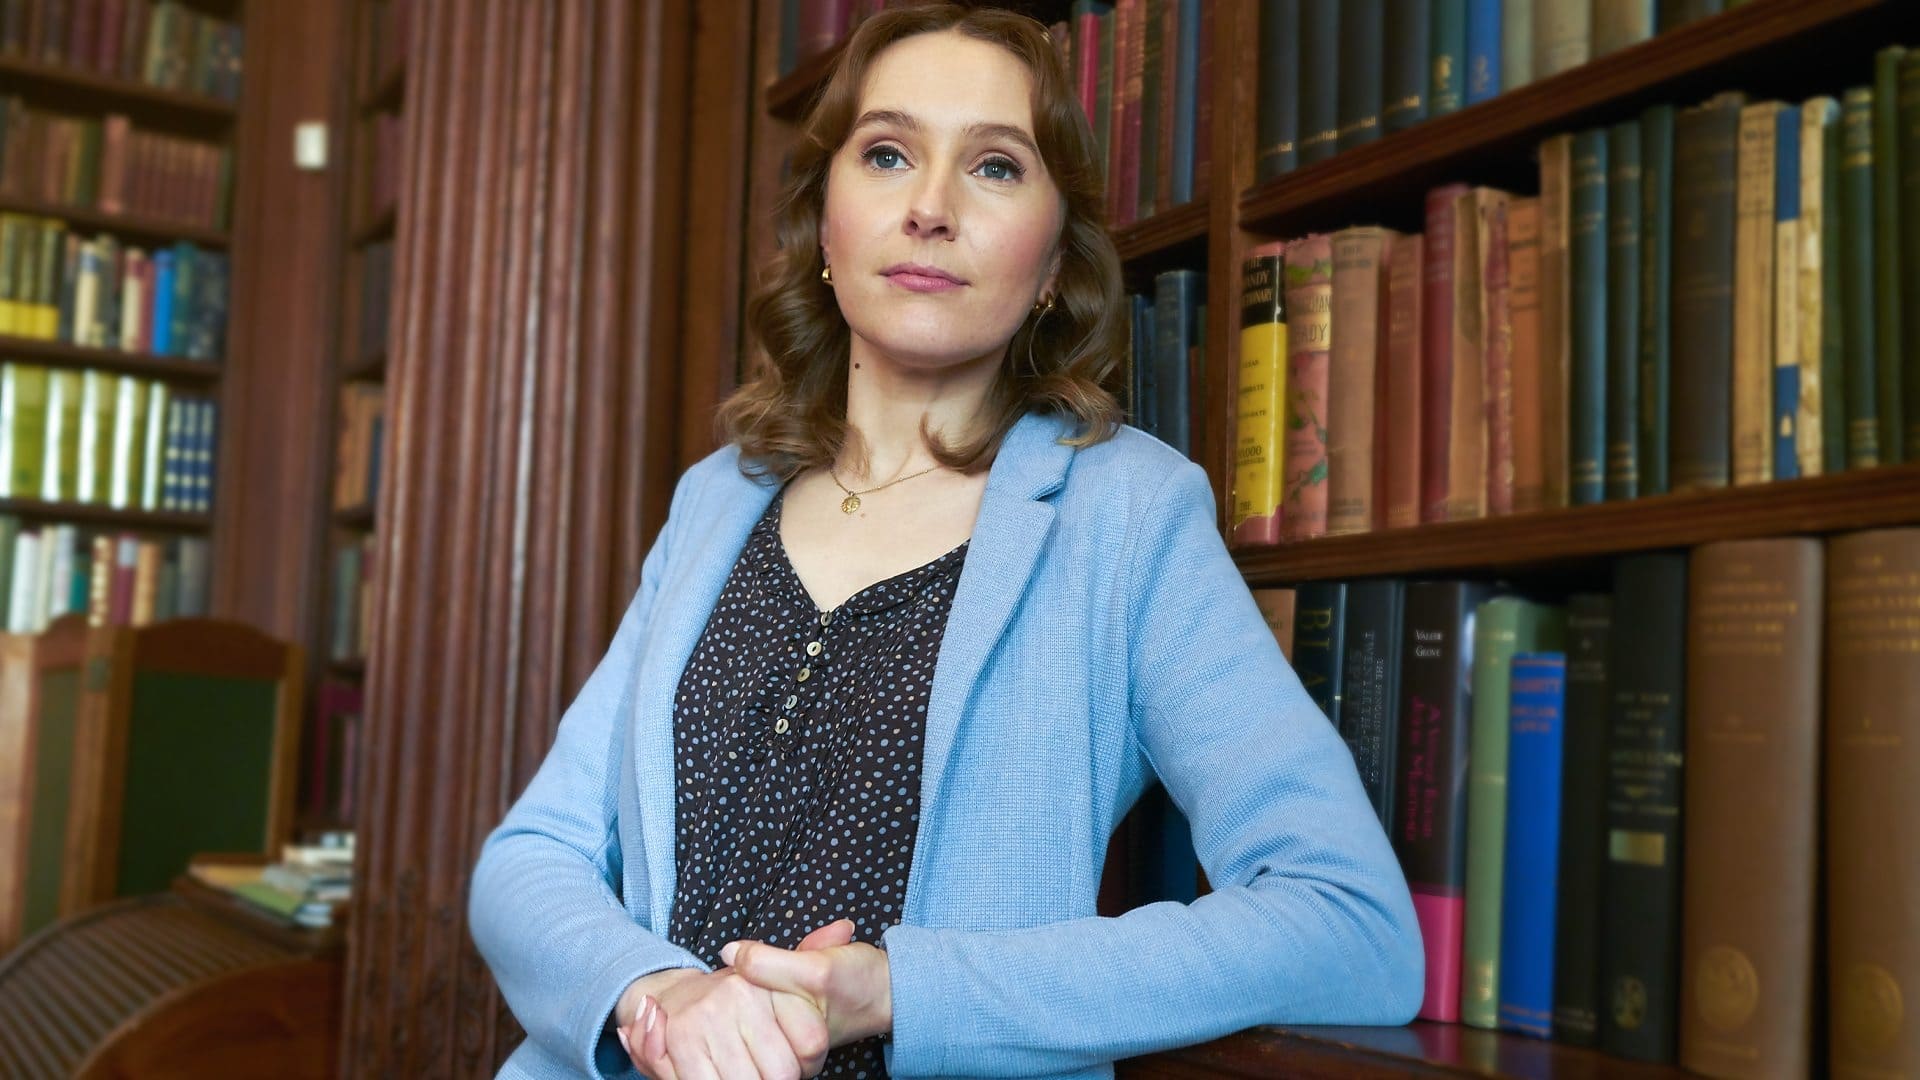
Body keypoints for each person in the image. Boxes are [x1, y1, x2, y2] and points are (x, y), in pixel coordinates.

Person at [467, 6, 1423, 1079]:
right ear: (823, 224)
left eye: (995, 167)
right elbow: (531, 857)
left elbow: (1349, 922)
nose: (929, 207)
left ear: (1054, 261)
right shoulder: (717, 499)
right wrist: (656, 994)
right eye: (887, 154)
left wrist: (904, 990)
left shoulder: (1128, 516)